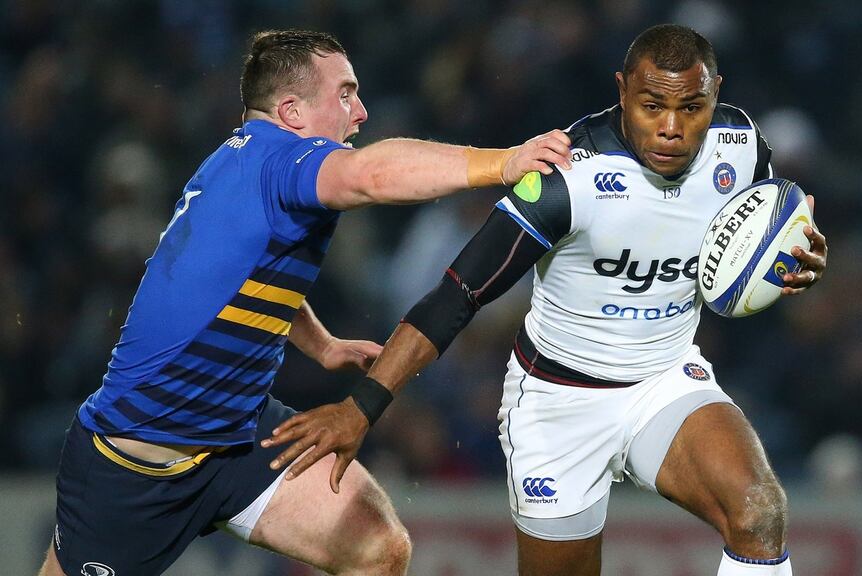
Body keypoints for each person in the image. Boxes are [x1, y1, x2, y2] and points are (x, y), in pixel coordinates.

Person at [265, 24, 829, 576]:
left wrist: (797, 260)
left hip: (665, 379)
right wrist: (361, 407)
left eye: (692, 108)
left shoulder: (744, 148)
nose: (672, 128)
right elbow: (457, 295)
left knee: (759, 515)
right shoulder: (566, 175)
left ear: (716, 95)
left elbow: (765, 234)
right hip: (559, 404)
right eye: (652, 106)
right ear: (622, 91)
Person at [39, 29, 571, 576]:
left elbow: (243, 275)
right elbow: (372, 175)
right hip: (138, 463)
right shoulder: (279, 161)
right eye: (345, 93)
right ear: (291, 112)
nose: (360, 112)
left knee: (375, 548)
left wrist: (320, 344)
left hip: (238, 434)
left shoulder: (238, 165)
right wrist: (504, 162)